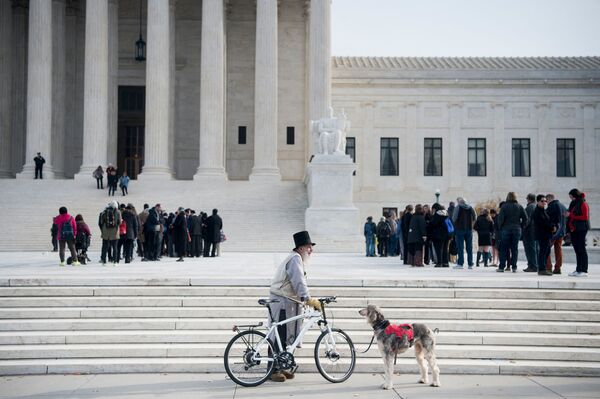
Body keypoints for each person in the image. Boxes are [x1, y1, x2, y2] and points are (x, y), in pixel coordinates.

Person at [268, 231, 321, 382]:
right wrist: (308, 299)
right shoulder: (295, 259)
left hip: (285, 301)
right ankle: (273, 371)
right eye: (309, 247)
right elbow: (299, 282)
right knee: (280, 334)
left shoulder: (295, 258)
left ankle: (282, 367)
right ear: (301, 248)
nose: (311, 250)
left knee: (284, 336)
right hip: (281, 302)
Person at [497, 192, 528, 273]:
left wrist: (500, 228)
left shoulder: (504, 206)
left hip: (506, 229)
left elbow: (500, 219)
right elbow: (526, 219)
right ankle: (514, 267)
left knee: (504, 248)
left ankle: (501, 267)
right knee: (514, 249)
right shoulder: (519, 206)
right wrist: (521, 226)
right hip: (517, 229)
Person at [566, 189, 590, 277]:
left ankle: (584, 269)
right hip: (574, 229)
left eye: (571, 197)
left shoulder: (583, 204)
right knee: (577, 249)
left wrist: (571, 215)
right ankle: (578, 269)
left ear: (575, 196)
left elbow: (585, 217)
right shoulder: (575, 204)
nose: (571, 199)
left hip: (581, 229)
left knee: (581, 249)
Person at [451, 197, 477, 269]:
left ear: (460, 202)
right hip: (469, 229)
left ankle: (460, 263)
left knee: (460, 247)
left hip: (459, 229)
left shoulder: (458, 207)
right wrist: (471, 223)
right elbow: (475, 217)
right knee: (469, 247)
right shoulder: (470, 207)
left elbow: (454, 218)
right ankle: (470, 264)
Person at [533, 194, 555, 276]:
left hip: (547, 234)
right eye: (542, 201)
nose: (544, 202)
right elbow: (543, 223)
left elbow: (548, 221)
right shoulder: (537, 211)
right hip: (542, 235)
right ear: (538, 202)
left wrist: (552, 226)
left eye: (545, 201)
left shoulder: (543, 210)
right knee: (543, 251)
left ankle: (543, 268)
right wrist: (552, 227)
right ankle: (541, 269)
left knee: (547, 251)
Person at [545, 193, 567, 274]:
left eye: (546, 201)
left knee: (546, 249)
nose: (546, 203)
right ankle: (558, 268)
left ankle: (548, 267)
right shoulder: (563, 206)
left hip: (553, 232)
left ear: (548, 199)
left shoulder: (551, 206)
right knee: (558, 249)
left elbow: (547, 219)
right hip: (561, 232)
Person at [99, 201, 121, 266]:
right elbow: (119, 222)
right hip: (115, 232)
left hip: (106, 232)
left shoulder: (104, 212)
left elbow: (101, 222)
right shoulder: (118, 212)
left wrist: (103, 230)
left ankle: (103, 261)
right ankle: (115, 261)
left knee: (105, 247)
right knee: (115, 247)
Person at [522, 193, 539, 273]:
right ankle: (535, 265)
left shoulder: (530, 207)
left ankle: (532, 266)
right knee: (535, 249)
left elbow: (527, 220)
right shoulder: (536, 206)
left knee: (530, 249)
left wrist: (523, 227)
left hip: (529, 232)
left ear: (528, 199)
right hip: (535, 231)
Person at [429, 203, 450, 267]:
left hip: (439, 234)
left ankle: (439, 263)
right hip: (447, 234)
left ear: (435, 208)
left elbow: (433, 223)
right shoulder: (446, 213)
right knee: (445, 249)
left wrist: (432, 217)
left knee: (439, 249)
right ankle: (445, 263)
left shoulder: (437, 214)